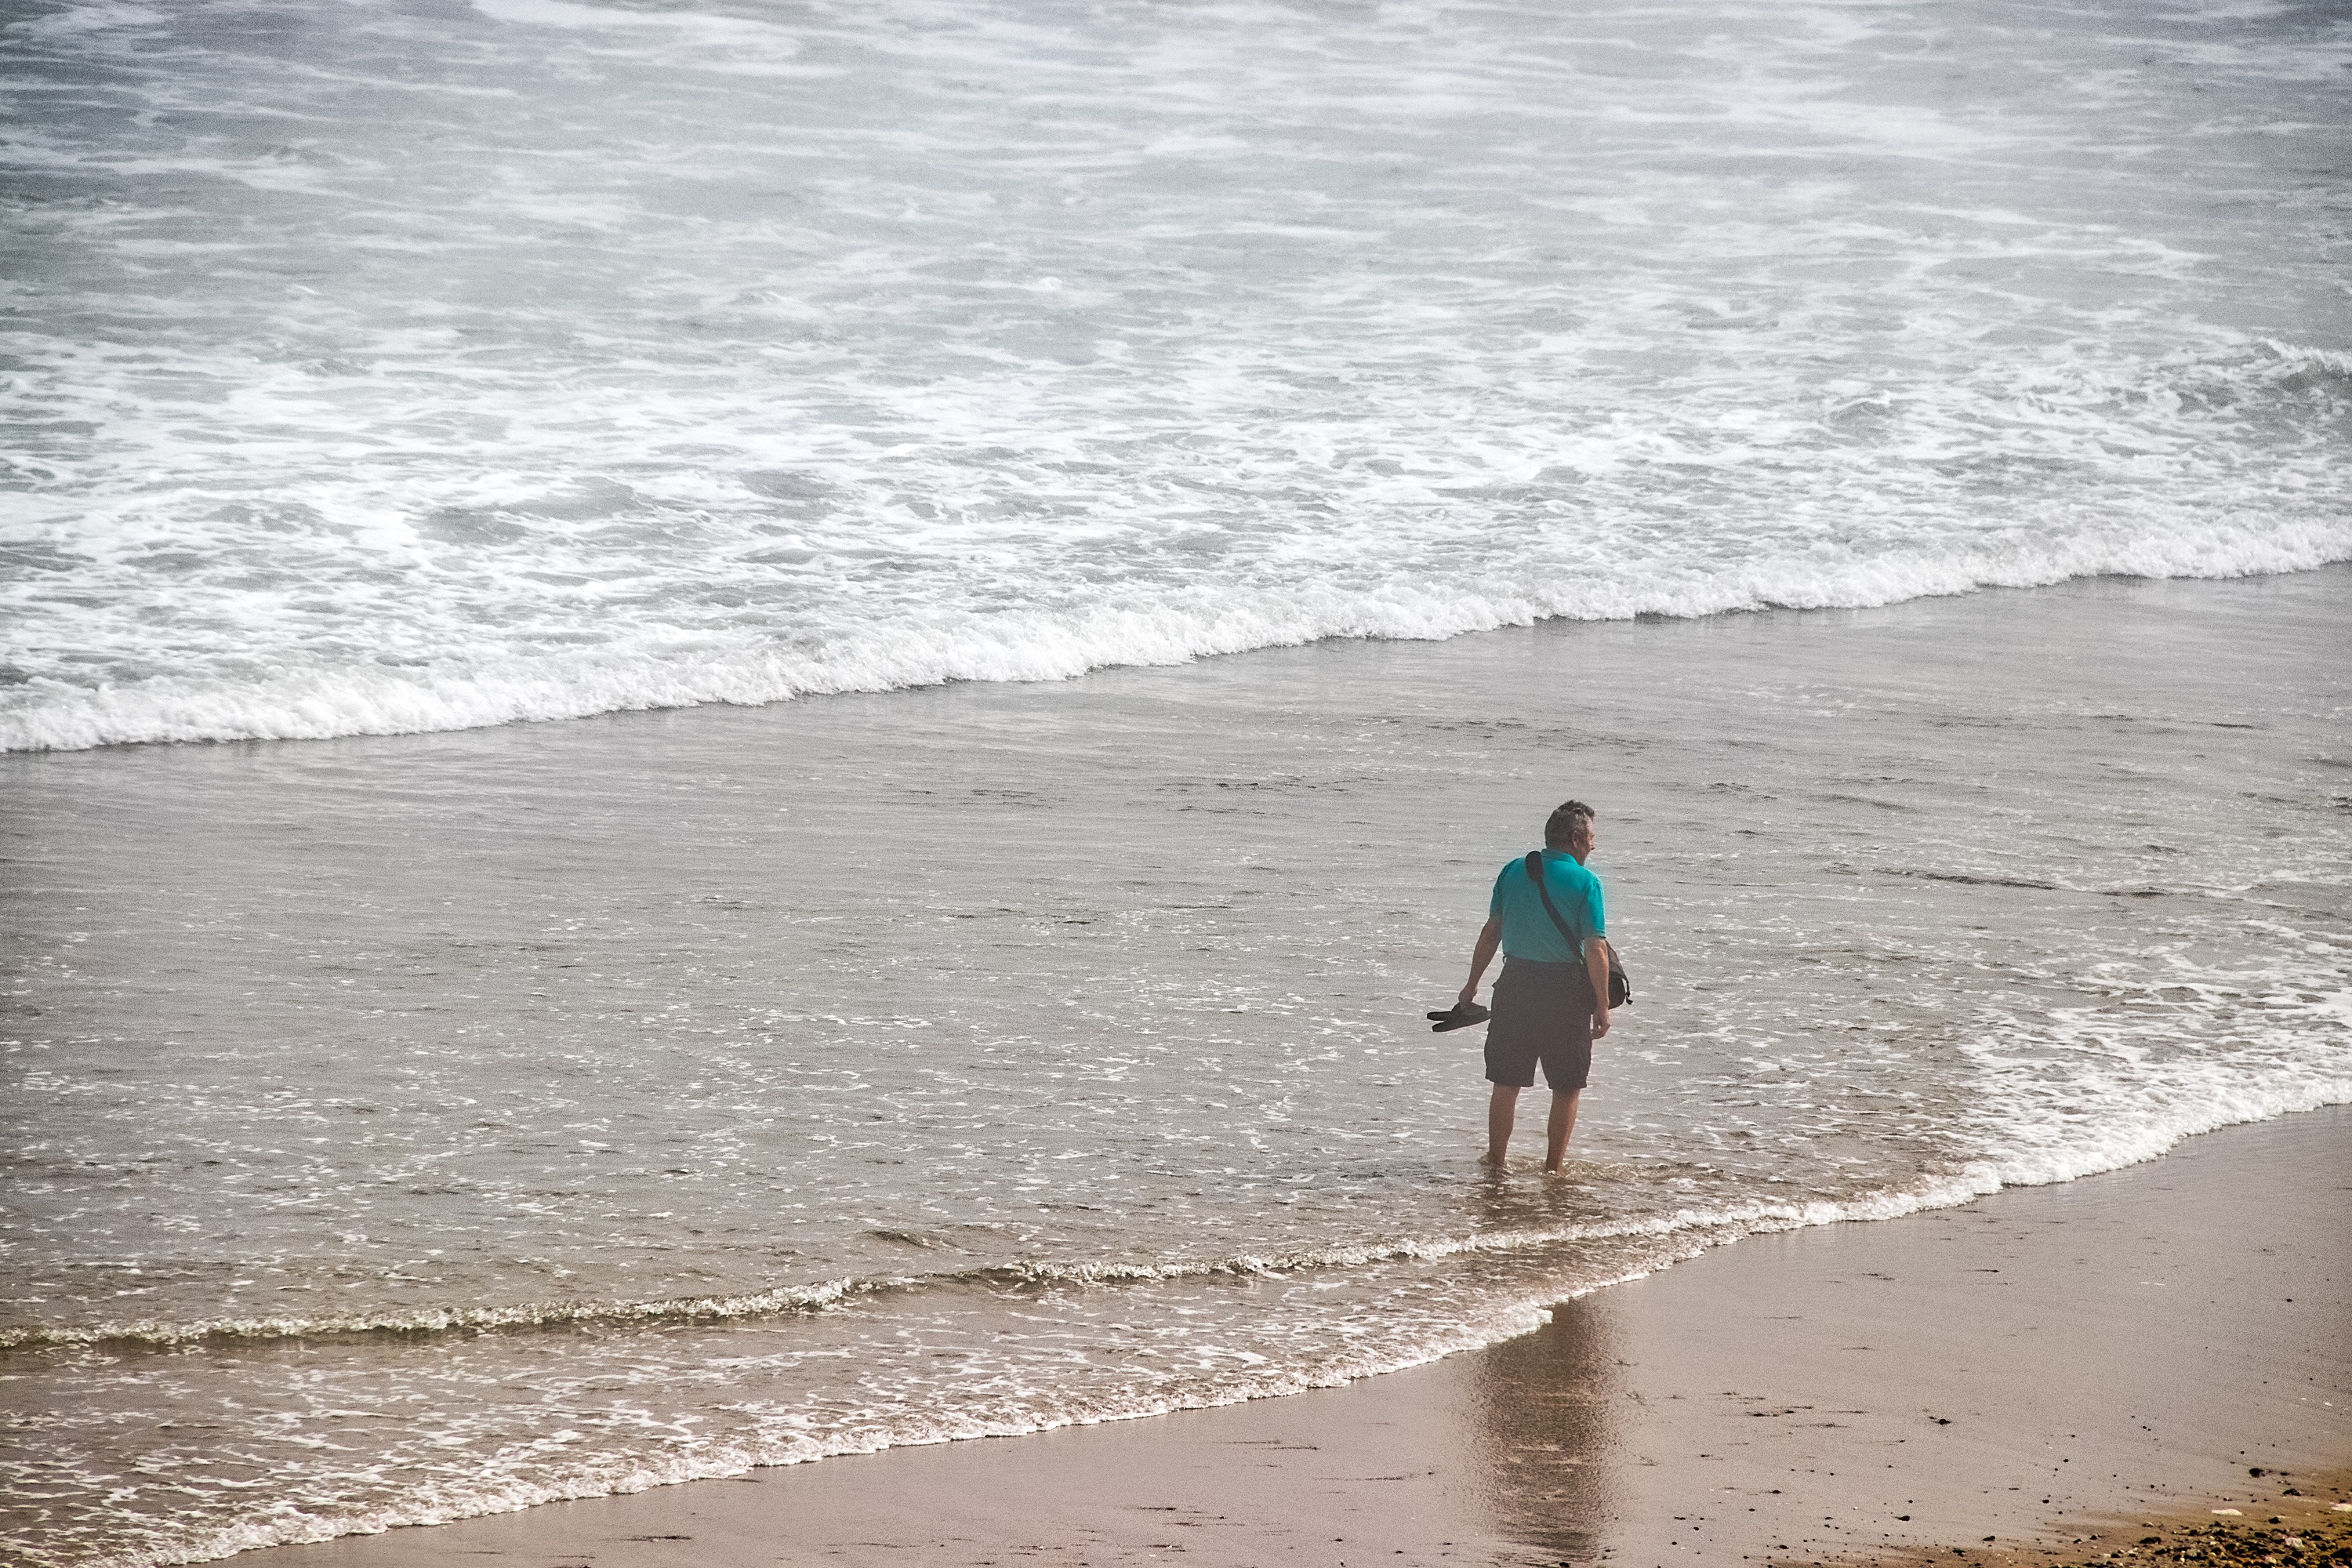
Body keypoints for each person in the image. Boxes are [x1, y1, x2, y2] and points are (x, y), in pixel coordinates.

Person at [1456, 800, 1612, 1172]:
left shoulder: (1512, 871)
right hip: (1565, 992)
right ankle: (1553, 1169)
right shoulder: (1587, 882)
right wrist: (1602, 1004)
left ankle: (1496, 1164)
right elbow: (1595, 948)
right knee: (1566, 1087)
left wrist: (1471, 985)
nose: (1594, 845)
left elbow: (1491, 931)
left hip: (1515, 986)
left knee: (1506, 1083)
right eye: (1591, 838)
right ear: (1576, 838)